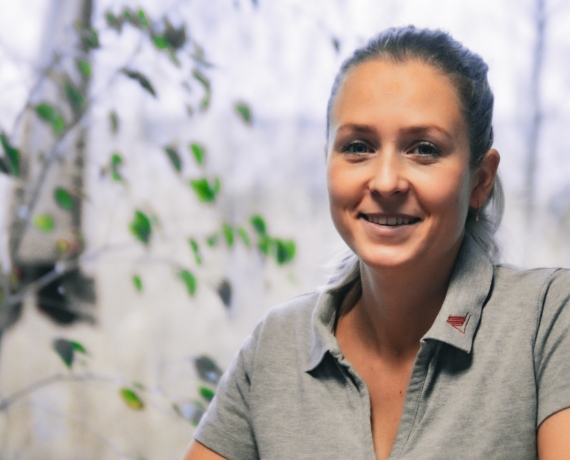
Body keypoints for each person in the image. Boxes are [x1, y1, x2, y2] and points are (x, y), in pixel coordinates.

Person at [183, 26, 570, 459]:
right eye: (358, 147)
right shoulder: (277, 344)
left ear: (480, 180)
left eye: (424, 149)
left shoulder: (550, 319)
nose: (386, 182)